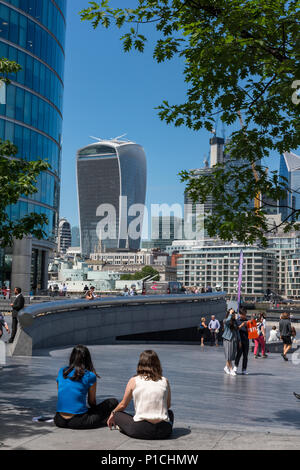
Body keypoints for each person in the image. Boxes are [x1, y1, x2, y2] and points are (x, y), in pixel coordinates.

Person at [107, 350, 174, 440]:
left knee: (117, 414)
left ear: (140, 364)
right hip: (163, 431)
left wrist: (113, 413)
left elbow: (123, 405)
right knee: (170, 413)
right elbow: (168, 405)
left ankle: (123, 428)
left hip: (140, 430)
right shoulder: (165, 380)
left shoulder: (134, 380)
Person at [54, 345, 118, 429]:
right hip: (78, 420)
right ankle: (108, 419)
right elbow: (92, 402)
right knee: (113, 402)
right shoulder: (90, 375)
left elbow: (61, 393)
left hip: (59, 420)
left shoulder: (62, 371)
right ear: (88, 359)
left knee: (87, 411)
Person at [222, 310, 241, 376]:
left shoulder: (235, 322)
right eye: (233, 314)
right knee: (229, 355)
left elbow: (237, 331)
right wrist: (230, 314)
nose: (234, 315)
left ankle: (226, 367)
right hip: (228, 340)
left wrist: (239, 340)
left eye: (234, 313)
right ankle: (231, 369)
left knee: (232, 355)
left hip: (234, 340)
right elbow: (227, 321)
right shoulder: (225, 320)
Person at [233, 309, 249, 375]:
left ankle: (244, 369)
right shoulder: (237, 321)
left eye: (245, 315)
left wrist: (248, 326)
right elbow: (235, 329)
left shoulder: (248, 321)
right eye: (243, 315)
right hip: (239, 340)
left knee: (245, 355)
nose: (245, 316)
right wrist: (242, 325)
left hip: (246, 340)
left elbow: (251, 331)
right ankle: (235, 367)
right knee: (239, 354)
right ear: (240, 314)